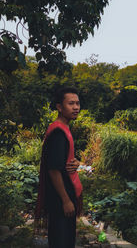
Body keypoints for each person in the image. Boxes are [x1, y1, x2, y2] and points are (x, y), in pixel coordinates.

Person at [35, 87, 83, 248]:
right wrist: (66, 200)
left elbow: (61, 161)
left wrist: (76, 162)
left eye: (77, 103)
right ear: (59, 107)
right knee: (62, 241)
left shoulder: (62, 128)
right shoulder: (58, 133)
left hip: (61, 197)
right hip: (60, 199)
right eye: (71, 103)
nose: (76, 107)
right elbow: (53, 170)